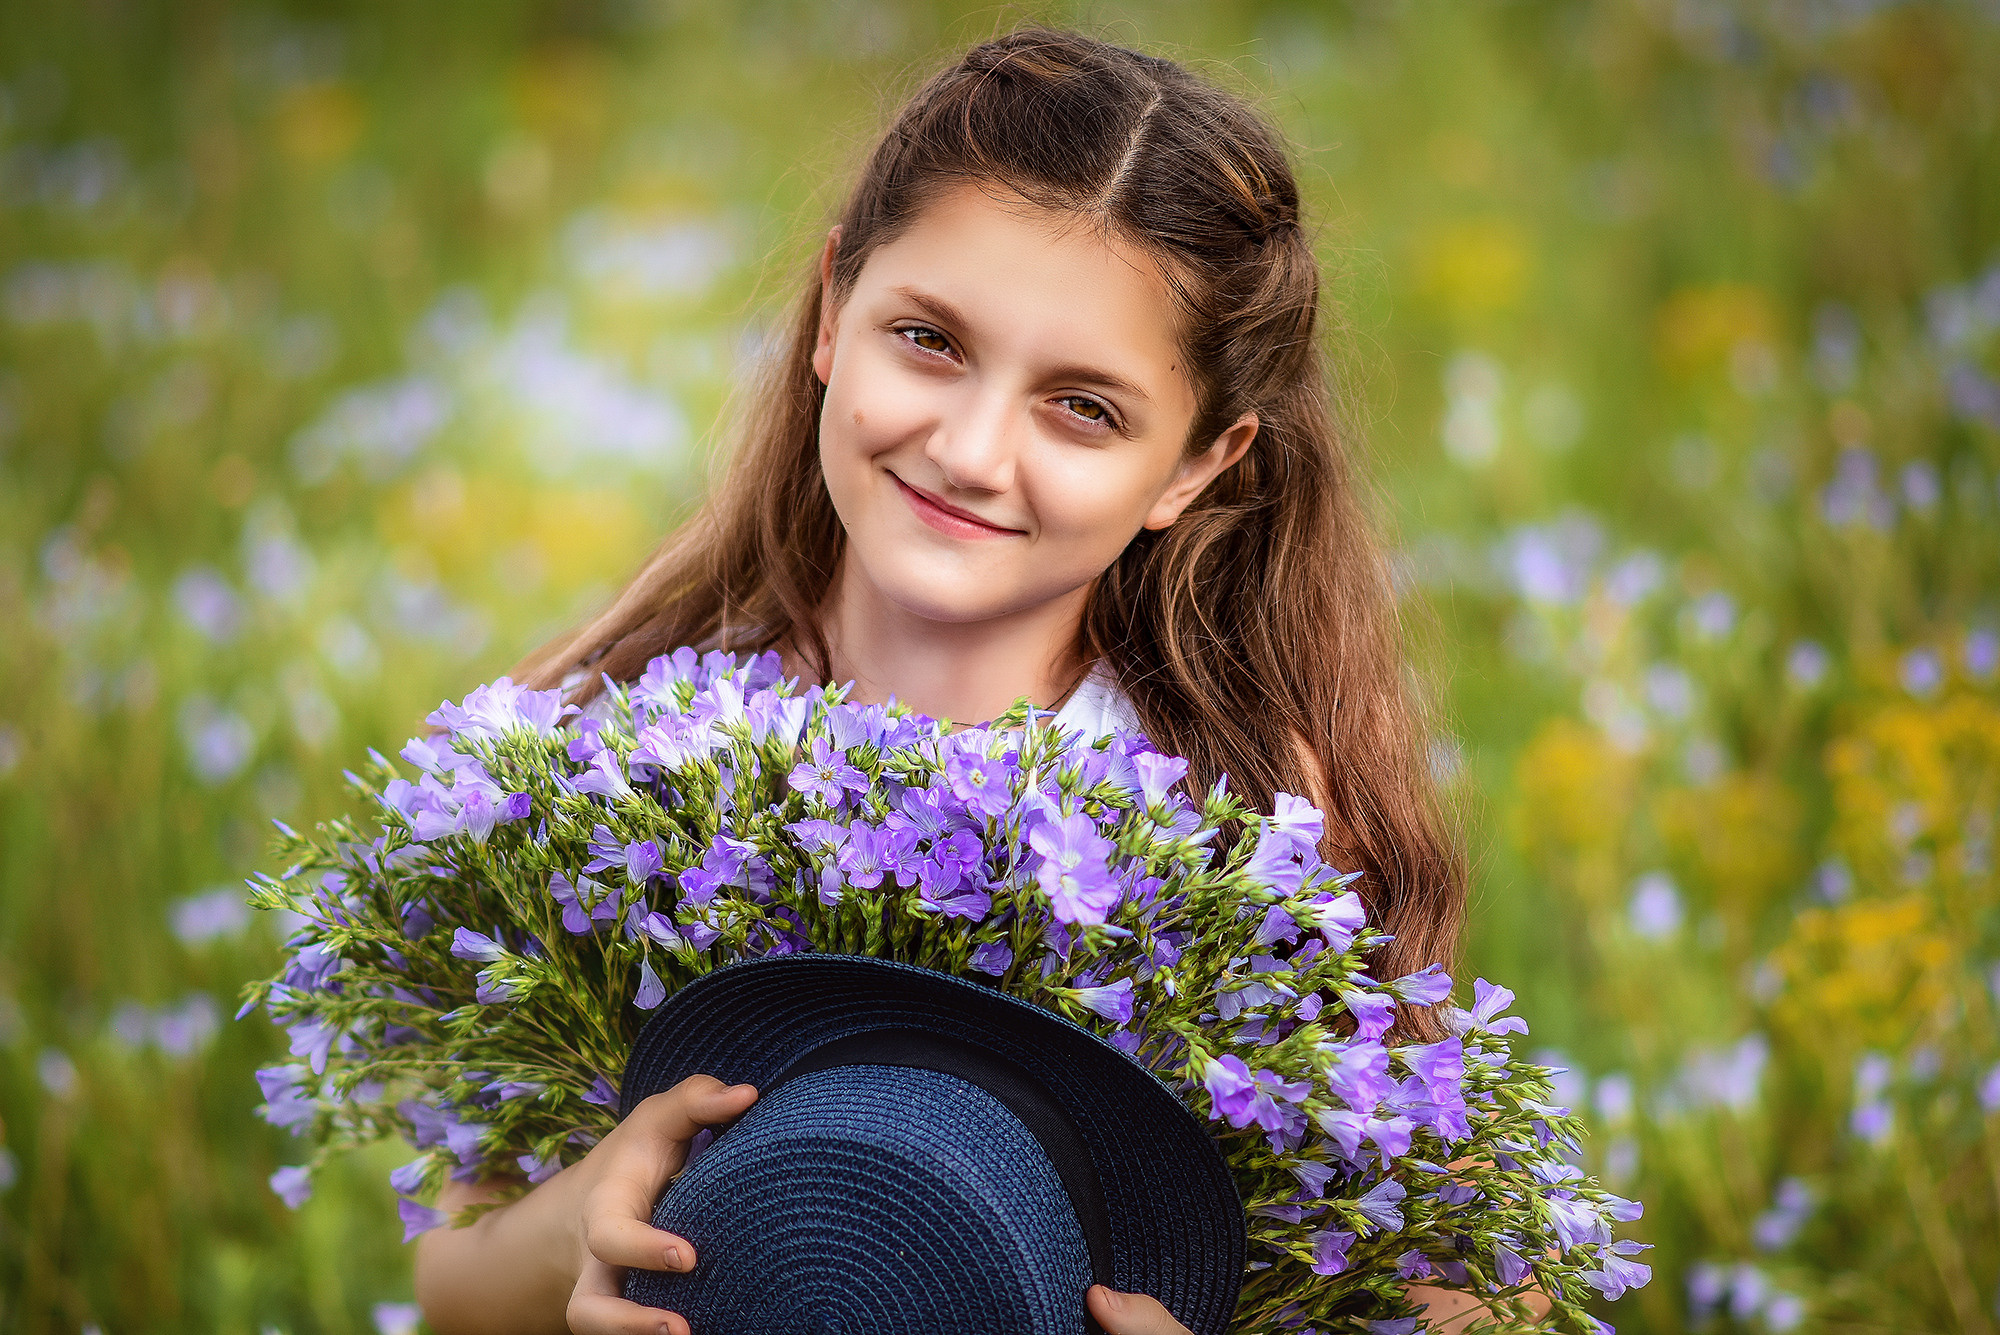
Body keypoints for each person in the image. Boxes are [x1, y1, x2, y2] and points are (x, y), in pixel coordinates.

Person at [414, 26, 1483, 1335]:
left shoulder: (1241, 816)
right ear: (828, 315)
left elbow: (1457, 1290)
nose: (972, 450)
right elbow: (451, 1279)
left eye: (1082, 407)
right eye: (928, 339)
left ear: (1198, 466)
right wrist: (579, 1216)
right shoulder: (629, 752)